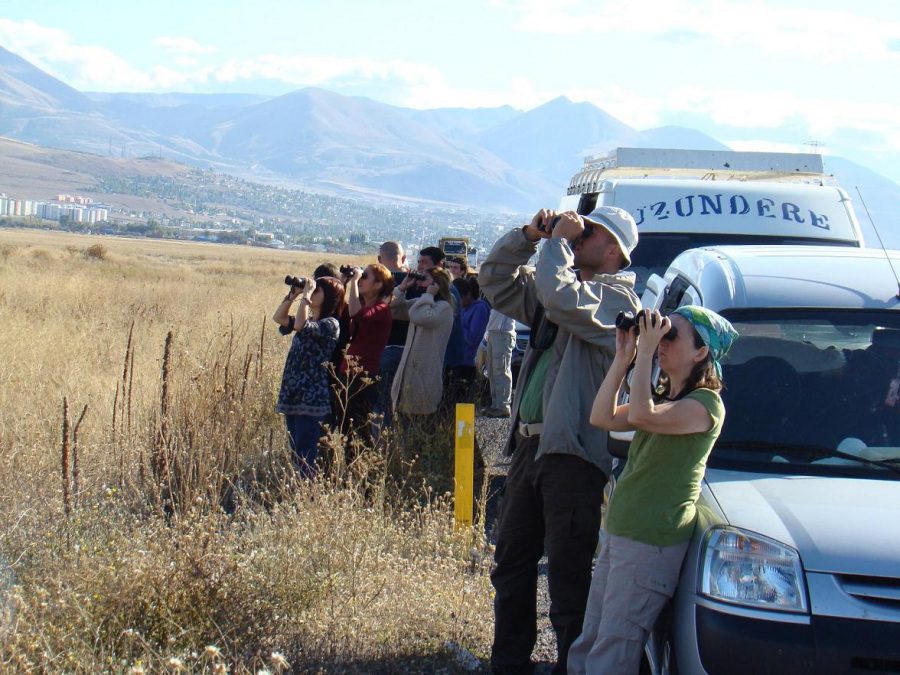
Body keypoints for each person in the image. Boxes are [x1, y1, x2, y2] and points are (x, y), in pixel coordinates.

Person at [479, 206, 641, 674]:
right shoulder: (559, 287)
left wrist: (558, 245)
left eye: (589, 232)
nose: (578, 233)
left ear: (613, 252)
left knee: (568, 579)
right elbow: (494, 280)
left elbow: (563, 300)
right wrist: (530, 235)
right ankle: (509, 664)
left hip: (573, 455)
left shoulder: (617, 304)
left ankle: (572, 667)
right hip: (531, 448)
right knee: (511, 564)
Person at [568, 306, 737, 674]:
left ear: (701, 352)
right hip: (622, 530)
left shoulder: (707, 406)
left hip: (651, 541)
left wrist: (644, 354)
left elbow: (642, 417)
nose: (660, 341)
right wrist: (624, 358)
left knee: (613, 648)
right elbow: (602, 417)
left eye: (670, 335)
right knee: (591, 638)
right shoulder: (662, 397)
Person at [272, 276, 346, 478]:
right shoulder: (308, 319)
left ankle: (309, 493)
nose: (312, 293)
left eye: (317, 291)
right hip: (294, 393)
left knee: (306, 453)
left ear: (330, 297)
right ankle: (301, 490)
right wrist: (293, 295)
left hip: (311, 396)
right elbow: (279, 318)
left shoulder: (331, 324)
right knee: (296, 450)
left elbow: (300, 326)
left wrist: (305, 298)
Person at [339, 263, 394, 458]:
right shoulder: (366, 306)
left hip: (364, 376)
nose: (361, 280)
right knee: (345, 428)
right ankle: (352, 473)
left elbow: (356, 313)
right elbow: (344, 313)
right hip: (348, 372)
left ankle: (364, 478)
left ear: (378, 285)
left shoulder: (381, 310)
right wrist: (344, 283)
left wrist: (354, 282)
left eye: (365, 277)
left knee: (358, 429)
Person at [390, 267, 456, 417]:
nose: (420, 283)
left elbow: (422, 317)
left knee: (418, 420)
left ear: (437, 284)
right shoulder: (422, 303)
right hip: (409, 373)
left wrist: (428, 296)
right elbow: (394, 309)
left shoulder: (444, 308)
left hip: (424, 375)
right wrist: (402, 287)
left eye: (424, 279)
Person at [376, 241, 411, 429]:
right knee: (405, 405)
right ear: (404, 258)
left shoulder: (377, 283)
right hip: (409, 350)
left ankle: (383, 446)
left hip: (384, 347)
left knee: (382, 404)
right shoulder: (415, 281)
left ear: (380, 259)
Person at [480, 307, 516, 418]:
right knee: (492, 370)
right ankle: (496, 404)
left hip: (503, 332)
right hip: (493, 332)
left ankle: (503, 406)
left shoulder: (508, 292)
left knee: (501, 370)